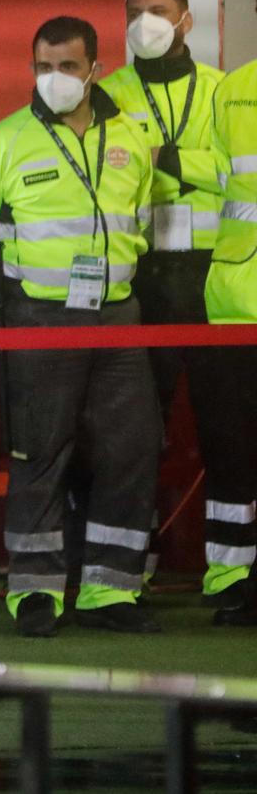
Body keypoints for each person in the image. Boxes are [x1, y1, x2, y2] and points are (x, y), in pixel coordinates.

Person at [0, 16, 160, 637]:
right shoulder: (1, 144)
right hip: (37, 316)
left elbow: (138, 215)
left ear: (95, 69)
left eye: (68, 67)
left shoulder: (129, 137)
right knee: (39, 453)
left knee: (132, 447)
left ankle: (110, 591)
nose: (55, 78)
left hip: (118, 316)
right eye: (44, 66)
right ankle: (35, 591)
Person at [100, 0, 249, 621]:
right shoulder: (106, 94)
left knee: (231, 436)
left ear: (186, 20)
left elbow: (234, 175)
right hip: (139, 282)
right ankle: (117, 582)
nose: (144, 24)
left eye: (157, 12)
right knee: (129, 439)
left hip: (212, 281)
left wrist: (169, 160)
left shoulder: (223, 92)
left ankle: (233, 579)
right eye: (134, 13)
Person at [202, 54, 257, 626]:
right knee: (232, 454)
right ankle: (232, 578)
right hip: (234, 304)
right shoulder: (235, 88)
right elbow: (220, 178)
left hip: (235, 290)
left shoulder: (233, 87)